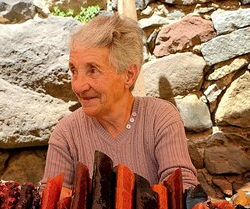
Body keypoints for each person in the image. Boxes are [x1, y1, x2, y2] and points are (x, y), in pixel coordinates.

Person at [40, 13, 199, 189]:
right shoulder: (66, 133)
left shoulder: (160, 117)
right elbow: (50, 201)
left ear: (129, 75)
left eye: (92, 70)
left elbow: (182, 188)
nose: (78, 86)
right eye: (74, 71)